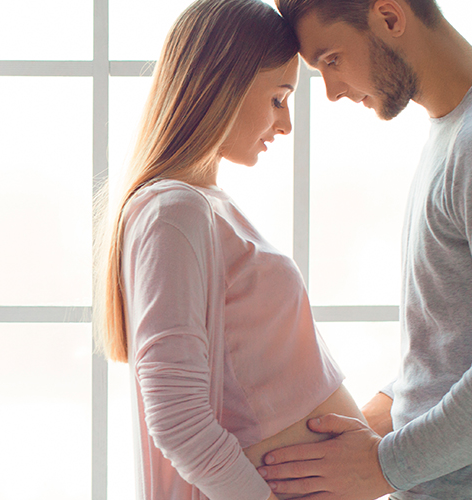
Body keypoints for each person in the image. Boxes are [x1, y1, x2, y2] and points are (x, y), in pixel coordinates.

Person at [256, 1, 472, 499]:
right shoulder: (461, 131)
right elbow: (454, 344)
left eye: (331, 60)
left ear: (389, 17)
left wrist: (381, 465)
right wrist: (372, 421)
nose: (331, 92)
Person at [95, 1, 369, 499]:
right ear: (224, 85)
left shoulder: (201, 206)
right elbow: (178, 421)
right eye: (278, 98)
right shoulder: (172, 212)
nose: (285, 125)